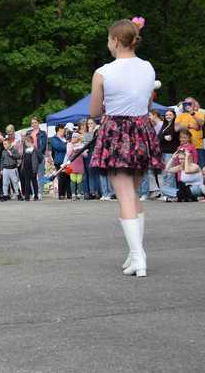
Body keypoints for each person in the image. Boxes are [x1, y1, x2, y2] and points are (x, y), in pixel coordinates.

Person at [89, 18, 162, 278]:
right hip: (142, 132)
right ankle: (134, 255)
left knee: (125, 196)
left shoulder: (103, 72)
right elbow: (146, 102)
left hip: (116, 133)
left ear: (116, 41)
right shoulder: (148, 68)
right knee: (133, 193)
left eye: (109, 40)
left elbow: (94, 111)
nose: (108, 44)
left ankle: (139, 257)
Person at [175, 97, 205, 167]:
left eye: (190, 103)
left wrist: (192, 113)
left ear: (194, 104)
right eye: (186, 103)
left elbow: (201, 123)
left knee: (201, 168)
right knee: (185, 167)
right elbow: (176, 128)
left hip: (198, 146)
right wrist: (190, 125)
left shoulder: (199, 113)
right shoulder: (180, 115)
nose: (188, 105)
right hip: (185, 147)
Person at [26, 116, 48, 200]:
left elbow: (43, 145)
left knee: (40, 175)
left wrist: (37, 153)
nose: (34, 124)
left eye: (35, 122)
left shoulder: (43, 133)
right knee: (32, 175)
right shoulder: (28, 133)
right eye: (32, 123)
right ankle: (34, 193)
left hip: (40, 155)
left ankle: (40, 193)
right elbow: (26, 145)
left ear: (38, 123)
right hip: (30, 156)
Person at [50, 125, 71, 200]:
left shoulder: (65, 138)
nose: (64, 131)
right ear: (59, 130)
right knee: (62, 177)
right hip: (59, 161)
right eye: (63, 130)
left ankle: (69, 194)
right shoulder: (53, 139)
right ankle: (61, 194)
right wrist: (68, 145)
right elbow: (59, 147)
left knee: (68, 177)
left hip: (68, 161)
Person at [20, 135, 43, 201]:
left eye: (26, 142)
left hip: (33, 168)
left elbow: (41, 157)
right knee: (27, 183)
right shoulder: (25, 149)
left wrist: (36, 164)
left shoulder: (35, 149)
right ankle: (27, 196)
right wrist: (22, 167)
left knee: (34, 182)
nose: (26, 144)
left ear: (30, 142)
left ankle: (36, 196)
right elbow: (23, 159)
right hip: (26, 168)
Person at [65, 132, 86, 200]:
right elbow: (68, 155)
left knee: (79, 180)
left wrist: (81, 151)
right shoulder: (69, 144)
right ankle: (73, 194)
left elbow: (85, 155)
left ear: (78, 138)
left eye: (75, 137)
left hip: (80, 165)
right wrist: (72, 147)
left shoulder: (82, 145)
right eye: (73, 137)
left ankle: (79, 193)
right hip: (72, 165)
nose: (73, 138)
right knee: (73, 180)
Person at [82, 118, 100, 199]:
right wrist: (90, 132)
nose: (90, 125)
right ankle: (92, 192)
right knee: (90, 173)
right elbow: (87, 143)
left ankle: (98, 191)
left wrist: (93, 131)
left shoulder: (98, 131)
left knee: (97, 173)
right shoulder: (86, 134)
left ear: (95, 124)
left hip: (97, 154)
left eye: (91, 123)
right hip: (89, 154)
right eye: (88, 124)